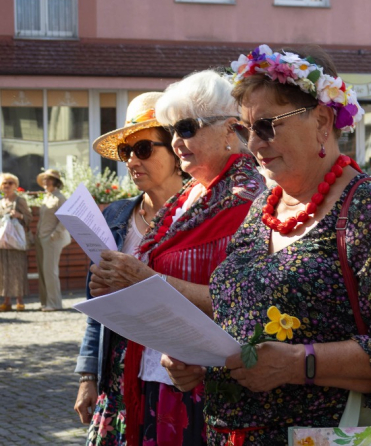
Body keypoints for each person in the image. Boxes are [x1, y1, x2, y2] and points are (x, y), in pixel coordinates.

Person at [161, 44, 371, 445]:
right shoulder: (260, 211)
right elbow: (243, 317)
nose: (254, 144)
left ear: (322, 119)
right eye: (246, 129)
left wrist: (299, 364)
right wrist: (203, 361)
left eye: (267, 126)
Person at [86, 72, 266, 446]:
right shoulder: (190, 195)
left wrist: (146, 281)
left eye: (186, 127)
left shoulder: (250, 199)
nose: (177, 142)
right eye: (171, 131)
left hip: (212, 387)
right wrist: (113, 285)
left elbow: (249, 301)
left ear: (229, 130)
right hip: (158, 373)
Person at [73, 92, 187, 445]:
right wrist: (88, 375)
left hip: (177, 377)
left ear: (176, 152)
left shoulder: (201, 216)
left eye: (143, 149)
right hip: (119, 376)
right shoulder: (116, 216)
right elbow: (98, 309)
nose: (132, 161)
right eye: (126, 152)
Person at [35, 169, 71, 311]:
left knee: (50, 271)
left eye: (49, 179)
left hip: (52, 239)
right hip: (41, 238)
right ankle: (45, 302)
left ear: (55, 181)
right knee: (43, 271)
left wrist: (54, 235)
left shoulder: (60, 198)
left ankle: (54, 303)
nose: (45, 182)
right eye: (44, 179)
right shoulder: (47, 197)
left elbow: (65, 219)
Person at [0, 173, 33, 311]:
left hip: (16, 243)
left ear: (15, 185)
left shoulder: (20, 201)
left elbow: (29, 218)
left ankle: (20, 301)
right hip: (3, 242)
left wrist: (19, 215)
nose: (7, 185)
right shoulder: (1, 202)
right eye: (4, 183)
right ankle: (6, 301)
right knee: (4, 271)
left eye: (10, 183)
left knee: (18, 270)